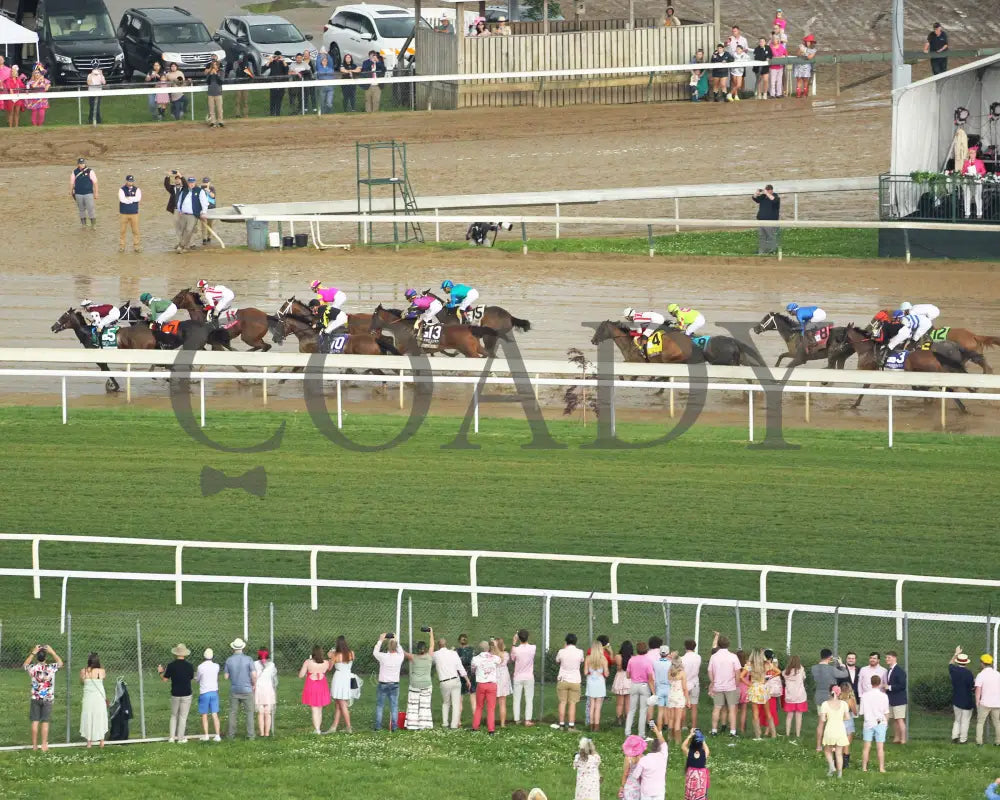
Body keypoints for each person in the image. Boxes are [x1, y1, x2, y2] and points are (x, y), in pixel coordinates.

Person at [24, 644, 63, 751]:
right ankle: (44, 745)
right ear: (45, 658)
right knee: (45, 722)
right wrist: (52, 651)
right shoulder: (51, 668)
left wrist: (33, 652)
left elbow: (25, 664)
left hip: (35, 698)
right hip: (48, 698)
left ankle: (35, 746)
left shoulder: (33, 668)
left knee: (35, 721)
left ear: (37, 657)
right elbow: (60, 663)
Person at [811, 649, 848, 751]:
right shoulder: (831, 669)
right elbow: (844, 674)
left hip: (819, 696)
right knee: (832, 722)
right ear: (830, 657)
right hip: (830, 697)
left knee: (821, 723)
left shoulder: (814, 668)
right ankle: (833, 746)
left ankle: (818, 746)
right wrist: (842, 665)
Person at [157, 643, 194, 743]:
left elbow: (165, 679)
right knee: (183, 716)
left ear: (176, 653)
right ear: (185, 654)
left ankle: (172, 737)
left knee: (174, 715)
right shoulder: (189, 666)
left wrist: (160, 672)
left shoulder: (171, 665)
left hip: (175, 693)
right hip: (186, 693)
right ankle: (181, 738)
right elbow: (191, 677)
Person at [432, 635, 471, 729]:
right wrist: (467, 680)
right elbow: (460, 667)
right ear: (446, 644)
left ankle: (445, 723)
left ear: (438, 646)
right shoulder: (453, 653)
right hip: (455, 680)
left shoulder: (435, 654)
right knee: (456, 704)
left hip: (444, 682)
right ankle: (454, 725)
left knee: (446, 703)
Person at [707, 635, 741, 736]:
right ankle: (732, 731)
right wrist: (737, 684)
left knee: (717, 708)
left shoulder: (714, 657)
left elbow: (710, 671)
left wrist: (713, 682)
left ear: (718, 644)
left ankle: (714, 730)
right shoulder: (733, 656)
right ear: (728, 644)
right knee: (731, 708)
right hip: (730, 686)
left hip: (717, 686)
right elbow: (737, 672)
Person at [224, 638, 256, 740]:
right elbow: (254, 674)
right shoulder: (249, 659)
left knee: (233, 712)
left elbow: (226, 676)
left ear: (233, 648)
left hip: (234, 689)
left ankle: (231, 735)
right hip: (247, 689)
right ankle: (250, 735)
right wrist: (253, 684)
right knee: (249, 713)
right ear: (243, 647)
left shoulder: (229, 660)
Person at [373, 632, 406, 731]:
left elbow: (375, 652)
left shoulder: (383, 656)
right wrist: (396, 640)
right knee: (394, 706)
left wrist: (380, 640)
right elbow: (401, 652)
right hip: (394, 684)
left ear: (388, 646)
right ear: (396, 647)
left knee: (380, 706)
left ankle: (378, 726)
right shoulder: (400, 657)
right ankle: (394, 727)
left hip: (383, 684)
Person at [552, 633, 584, 731]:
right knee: (572, 703)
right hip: (575, 680)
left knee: (562, 702)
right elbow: (582, 661)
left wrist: (564, 648)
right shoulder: (580, 652)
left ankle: (561, 724)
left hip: (563, 679)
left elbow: (557, 660)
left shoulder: (562, 651)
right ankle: (571, 725)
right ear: (575, 642)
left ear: (566, 642)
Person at [404, 635, 435, 730]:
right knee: (425, 705)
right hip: (426, 684)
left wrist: (395, 640)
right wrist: (431, 633)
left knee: (413, 705)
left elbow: (402, 652)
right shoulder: (429, 657)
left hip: (415, 684)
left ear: (417, 649)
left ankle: (412, 725)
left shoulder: (413, 657)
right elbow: (432, 645)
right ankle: (425, 725)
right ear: (425, 649)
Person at [299, 644, 332, 734]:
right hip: (322, 685)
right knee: (320, 708)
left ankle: (317, 729)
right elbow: (327, 669)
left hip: (311, 685)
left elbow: (301, 675)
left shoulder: (308, 662)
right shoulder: (326, 663)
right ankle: (318, 728)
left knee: (314, 708)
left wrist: (307, 673)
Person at [859, 674, 888, 772]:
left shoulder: (864, 696)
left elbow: (862, 712)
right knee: (880, 747)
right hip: (880, 722)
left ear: (871, 683)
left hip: (868, 722)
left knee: (866, 747)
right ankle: (881, 768)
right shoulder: (884, 696)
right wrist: (886, 722)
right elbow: (886, 711)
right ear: (879, 683)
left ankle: (864, 767)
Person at [624, 641, 655, 736]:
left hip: (633, 684)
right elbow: (650, 678)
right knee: (643, 710)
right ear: (646, 650)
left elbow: (628, 675)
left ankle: (627, 732)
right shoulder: (648, 661)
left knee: (632, 709)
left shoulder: (631, 660)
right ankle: (641, 734)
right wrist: (653, 692)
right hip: (644, 686)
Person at [819, 684, 849, 778]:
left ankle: (831, 766)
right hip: (840, 729)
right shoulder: (844, 704)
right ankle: (839, 774)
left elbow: (823, 719)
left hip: (830, 729)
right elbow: (847, 717)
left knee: (827, 750)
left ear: (830, 693)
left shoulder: (825, 704)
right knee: (839, 753)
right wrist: (840, 718)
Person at [470, 640, 501, 733]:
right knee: (491, 708)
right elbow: (500, 660)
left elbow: (472, 669)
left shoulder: (476, 659)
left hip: (481, 684)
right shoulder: (494, 657)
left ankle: (475, 726)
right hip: (492, 685)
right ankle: (491, 729)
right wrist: (495, 647)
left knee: (479, 706)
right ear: (488, 648)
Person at [742, 649, 773, 740]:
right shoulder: (766, 664)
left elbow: (741, 676)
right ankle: (773, 733)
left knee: (755, 712)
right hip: (763, 688)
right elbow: (777, 671)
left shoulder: (750, 665)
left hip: (754, 688)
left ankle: (758, 735)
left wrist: (749, 684)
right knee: (768, 712)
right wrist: (768, 679)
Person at [327, 635, 355, 733]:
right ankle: (334, 726)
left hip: (339, 678)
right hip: (348, 677)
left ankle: (349, 727)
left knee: (342, 704)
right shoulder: (351, 653)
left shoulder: (335, 655)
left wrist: (329, 657)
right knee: (338, 704)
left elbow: (329, 668)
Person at [79, 652, 108, 748]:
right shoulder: (102, 671)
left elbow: (82, 682)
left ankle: (89, 742)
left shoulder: (84, 671)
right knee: (100, 717)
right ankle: (102, 741)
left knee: (88, 716)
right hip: (99, 698)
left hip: (88, 698)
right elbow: (104, 678)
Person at [633, 720, 668, 800]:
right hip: (659, 790)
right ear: (660, 748)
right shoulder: (663, 756)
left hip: (646, 791)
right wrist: (656, 730)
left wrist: (638, 759)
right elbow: (664, 743)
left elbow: (635, 775)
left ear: (650, 747)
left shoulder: (643, 760)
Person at [174, 177, 209, 254]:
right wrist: (179, 209)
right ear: (188, 183)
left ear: (195, 182)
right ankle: (184, 246)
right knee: (182, 230)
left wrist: (203, 212)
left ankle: (182, 246)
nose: (191, 184)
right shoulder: (184, 191)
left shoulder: (200, 191)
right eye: (190, 182)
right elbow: (180, 200)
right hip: (183, 214)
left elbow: (204, 202)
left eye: (192, 182)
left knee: (189, 230)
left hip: (193, 215)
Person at [195, 647, 222, 742]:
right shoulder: (216, 666)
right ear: (212, 656)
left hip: (204, 692)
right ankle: (217, 735)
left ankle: (206, 735)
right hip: (214, 691)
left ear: (204, 656)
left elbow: (198, 679)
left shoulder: (200, 667)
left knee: (204, 714)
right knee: (215, 713)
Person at [950, 648, 976, 744]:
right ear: (966, 662)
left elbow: (950, 663)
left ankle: (954, 737)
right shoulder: (969, 674)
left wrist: (956, 654)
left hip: (956, 699)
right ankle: (963, 739)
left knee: (957, 720)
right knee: (965, 721)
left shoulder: (953, 670)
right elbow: (972, 688)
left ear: (958, 662)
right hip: (967, 700)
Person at [511, 629, 536, 726]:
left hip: (518, 677)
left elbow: (512, 658)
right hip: (529, 676)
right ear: (527, 637)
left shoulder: (516, 649)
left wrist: (514, 643)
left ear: (519, 638)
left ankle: (517, 719)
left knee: (516, 699)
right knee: (529, 699)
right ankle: (527, 720)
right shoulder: (533, 648)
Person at [975, 653, 1000, 746]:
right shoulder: (998, 674)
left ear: (982, 663)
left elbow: (978, 690)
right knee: (997, 723)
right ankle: (998, 741)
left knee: (980, 723)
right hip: (997, 703)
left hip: (985, 703)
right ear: (991, 663)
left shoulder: (981, 675)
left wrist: (977, 701)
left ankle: (979, 742)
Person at [584, 642, 609, 732]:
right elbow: (606, 673)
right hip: (600, 682)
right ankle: (596, 726)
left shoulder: (588, 658)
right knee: (598, 706)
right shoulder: (603, 659)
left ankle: (590, 725)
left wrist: (592, 672)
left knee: (592, 705)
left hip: (591, 681)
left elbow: (585, 672)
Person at [884, 651, 907, 744]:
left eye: (888, 658)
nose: (886, 659)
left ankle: (903, 739)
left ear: (894, 658)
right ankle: (896, 738)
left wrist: (888, 687)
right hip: (891, 699)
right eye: (886, 658)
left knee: (900, 719)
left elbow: (902, 685)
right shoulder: (889, 670)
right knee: (894, 720)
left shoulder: (899, 671)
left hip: (899, 699)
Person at [253, 649, 277, 737]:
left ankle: (262, 733)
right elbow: (274, 677)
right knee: (268, 712)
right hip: (268, 689)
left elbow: (253, 676)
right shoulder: (271, 665)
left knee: (261, 712)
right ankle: (267, 733)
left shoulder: (255, 664)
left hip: (259, 689)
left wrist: (253, 684)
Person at [681, 729, 710, 800]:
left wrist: (690, 736)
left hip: (690, 787)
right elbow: (707, 748)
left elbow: (683, 746)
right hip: (700, 788)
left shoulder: (689, 753)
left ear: (692, 743)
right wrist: (702, 740)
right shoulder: (704, 754)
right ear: (701, 743)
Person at [783, 655, 807, 738]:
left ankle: (787, 734)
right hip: (800, 696)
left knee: (789, 716)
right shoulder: (801, 670)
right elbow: (803, 679)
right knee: (799, 716)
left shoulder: (786, 672)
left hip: (790, 697)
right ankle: (798, 735)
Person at [71, 157, 99, 229]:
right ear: (78, 164)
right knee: (81, 210)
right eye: (80, 163)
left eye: (83, 163)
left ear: (85, 163)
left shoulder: (90, 171)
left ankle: (93, 225)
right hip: (78, 194)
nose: (82, 165)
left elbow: (95, 183)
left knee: (90, 209)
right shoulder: (74, 172)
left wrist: (96, 193)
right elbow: (72, 183)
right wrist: (71, 191)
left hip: (88, 193)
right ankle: (83, 225)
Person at [666, 660, 690, 743]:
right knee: (678, 719)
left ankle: (670, 737)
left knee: (671, 718)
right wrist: (687, 700)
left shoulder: (669, 672)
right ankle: (677, 740)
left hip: (671, 696)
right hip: (679, 696)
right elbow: (684, 688)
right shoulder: (682, 673)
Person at [680, 640, 702, 731]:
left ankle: (684, 725)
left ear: (685, 647)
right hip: (695, 683)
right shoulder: (698, 657)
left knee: (683, 705)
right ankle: (693, 726)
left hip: (684, 684)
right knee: (694, 706)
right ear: (695, 647)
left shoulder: (682, 659)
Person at [753, 185, 780, 254]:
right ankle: (761, 251)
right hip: (761, 221)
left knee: (771, 236)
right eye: (766, 189)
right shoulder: (763, 197)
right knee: (761, 236)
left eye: (768, 189)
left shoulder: (775, 197)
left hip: (770, 221)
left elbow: (774, 200)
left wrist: (767, 193)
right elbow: (755, 199)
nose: (767, 191)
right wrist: (756, 193)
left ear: (771, 190)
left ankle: (772, 251)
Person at [961, 146, 987, 219]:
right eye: (971, 153)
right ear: (969, 154)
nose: (972, 154)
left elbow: (984, 171)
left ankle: (979, 213)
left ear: (976, 154)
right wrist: (966, 174)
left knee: (978, 197)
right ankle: (967, 213)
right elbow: (963, 172)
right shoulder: (966, 163)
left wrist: (978, 174)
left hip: (977, 181)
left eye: (974, 153)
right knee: (967, 197)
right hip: (968, 182)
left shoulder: (979, 162)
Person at [118, 174, 142, 253]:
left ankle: (136, 246)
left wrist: (128, 199)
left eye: (131, 181)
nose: (130, 182)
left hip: (134, 213)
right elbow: (122, 199)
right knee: (122, 231)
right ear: (126, 181)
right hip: (123, 213)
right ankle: (122, 246)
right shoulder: (121, 189)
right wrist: (132, 199)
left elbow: (138, 198)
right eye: (129, 181)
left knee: (135, 231)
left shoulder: (137, 189)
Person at [456, 633, 477, 721]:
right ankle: (476, 720)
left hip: (461, 675)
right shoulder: (472, 650)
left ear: (459, 641)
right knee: (473, 698)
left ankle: (458, 721)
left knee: (460, 699)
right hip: (471, 675)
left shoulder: (456, 651)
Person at [619, 734, 645, 800]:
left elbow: (625, 773)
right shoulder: (643, 757)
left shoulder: (628, 758)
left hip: (629, 785)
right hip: (640, 785)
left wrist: (622, 786)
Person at [494, 637, 513, 727]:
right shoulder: (506, 654)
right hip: (504, 678)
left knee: (493, 703)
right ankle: (502, 724)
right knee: (502, 703)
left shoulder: (493, 656)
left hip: (495, 678)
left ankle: (492, 722)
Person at [230, 51, 254, 117]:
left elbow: (251, 75)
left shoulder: (248, 64)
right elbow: (235, 70)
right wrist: (239, 64)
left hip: (245, 84)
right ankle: (237, 114)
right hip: (238, 84)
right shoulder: (236, 63)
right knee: (237, 100)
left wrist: (246, 68)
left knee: (245, 100)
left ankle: (245, 114)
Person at [205, 59, 224, 127]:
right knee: (211, 109)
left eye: (215, 65)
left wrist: (216, 74)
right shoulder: (209, 72)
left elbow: (221, 82)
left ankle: (220, 121)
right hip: (210, 93)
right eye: (213, 65)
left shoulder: (221, 72)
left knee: (219, 109)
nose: (214, 66)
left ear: (218, 66)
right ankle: (212, 121)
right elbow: (207, 82)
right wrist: (210, 74)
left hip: (218, 93)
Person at [768, 33, 787, 98]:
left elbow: (785, 54)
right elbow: (769, 56)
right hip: (773, 67)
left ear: (778, 40)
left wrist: (783, 56)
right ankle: (772, 94)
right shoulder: (770, 47)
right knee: (772, 81)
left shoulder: (781, 46)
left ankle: (779, 93)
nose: (774, 40)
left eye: (775, 39)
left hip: (780, 66)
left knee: (779, 81)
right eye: (773, 39)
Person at [199, 177, 217, 246]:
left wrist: (208, 191)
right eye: (204, 182)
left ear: (209, 183)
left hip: (211, 208)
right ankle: (204, 239)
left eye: (207, 182)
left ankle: (209, 237)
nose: (206, 183)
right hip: (203, 209)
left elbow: (213, 196)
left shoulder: (212, 188)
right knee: (203, 224)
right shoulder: (200, 188)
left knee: (210, 224)